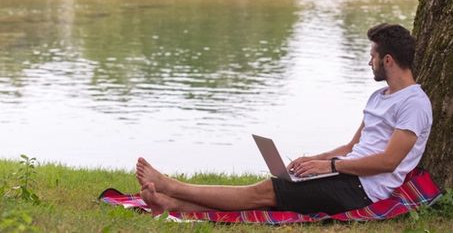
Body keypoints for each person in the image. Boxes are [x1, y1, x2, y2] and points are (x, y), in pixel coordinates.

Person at [136, 23, 433, 215]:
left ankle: (171, 187)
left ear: (389, 60)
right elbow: (352, 146)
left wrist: (329, 167)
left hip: (362, 189)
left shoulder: (414, 104)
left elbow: (387, 162)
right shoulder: (378, 98)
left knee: (262, 192)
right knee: (269, 188)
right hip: (344, 174)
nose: (370, 61)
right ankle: (171, 204)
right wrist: (312, 161)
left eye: (373, 56)